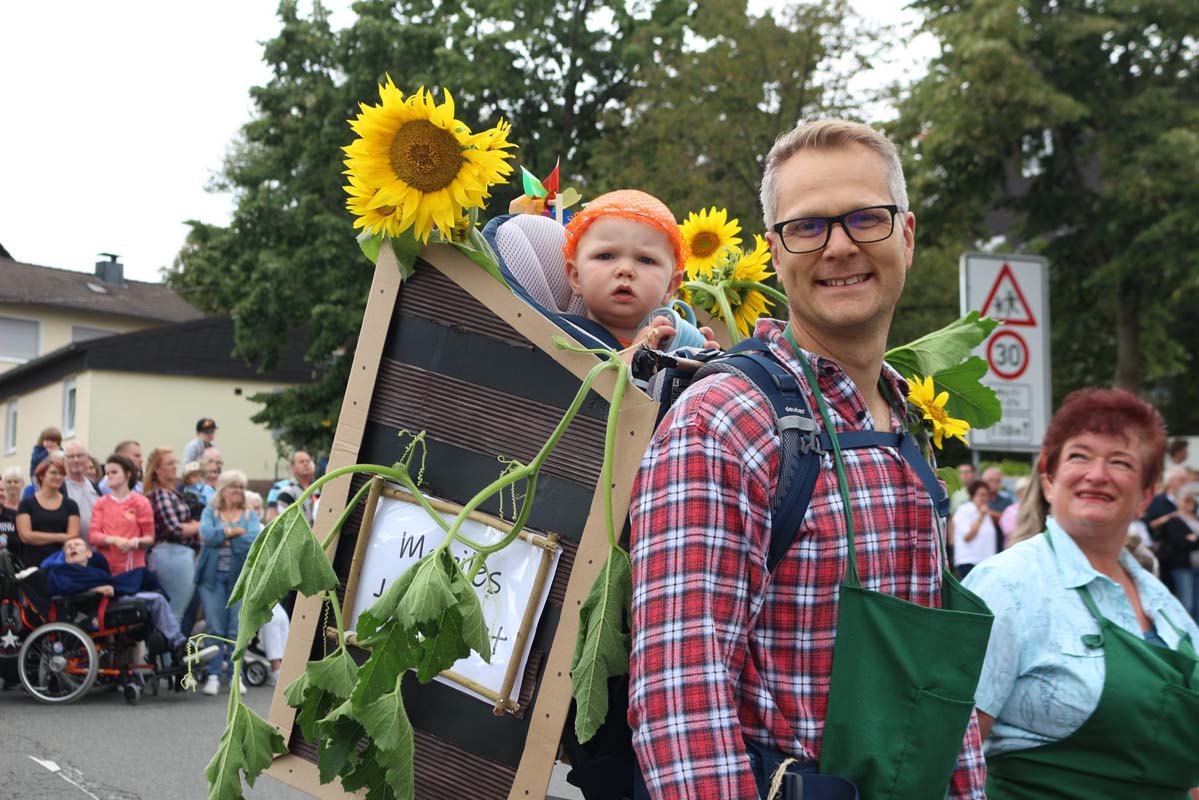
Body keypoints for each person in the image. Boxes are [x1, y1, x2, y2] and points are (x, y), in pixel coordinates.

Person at [629, 120, 988, 800]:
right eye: (808, 227)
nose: (840, 246)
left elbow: (935, 689)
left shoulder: (902, 418)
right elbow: (680, 700)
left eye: (864, 218)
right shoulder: (725, 420)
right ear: (773, 251)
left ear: (905, 235)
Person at [963, 388, 1199, 798]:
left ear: (1145, 495)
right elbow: (949, 754)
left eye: (1120, 462)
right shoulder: (1007, 585)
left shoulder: (1165, 606)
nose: (1097, 473)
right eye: (1079, 456)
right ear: (1049, 478)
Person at [561, 189, 717, 357]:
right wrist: (635, 357)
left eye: (646, 260)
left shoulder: (674, 345)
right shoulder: (563, 338)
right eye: (605, 256)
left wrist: (700, 365)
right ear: (576, 277)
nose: (626, 270)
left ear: (670, 287)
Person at [46, 538, 188, 658]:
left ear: (89, 553)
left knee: (148, 585)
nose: (72, 547)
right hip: (99, 607)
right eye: (68, 547)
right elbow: (64, 589)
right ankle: (179, 645)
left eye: (77, 545)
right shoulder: (61, 571)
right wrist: (96, 589)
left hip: (113, 599)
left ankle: (165, 642)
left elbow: (111, 581)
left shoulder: (95, 571)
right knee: (156, 599)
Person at [197, 470, 260, 695]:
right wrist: (234, 531)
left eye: (241, 487)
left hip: (239, 579)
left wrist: (222, 536)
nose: (239, 491)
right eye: (234, 486)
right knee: (214, 627)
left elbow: (251, 540)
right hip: (211, 579)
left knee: (236, 629)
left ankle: (236, 675)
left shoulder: (249, 514)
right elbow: (205, 534)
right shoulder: (210, 511)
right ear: (222, 490)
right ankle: (213, 675)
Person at [144, 447, 200, 625]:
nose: (175, 467)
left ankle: (169, 651)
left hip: (174, 554)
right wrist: (199, 525)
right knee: (174, 612)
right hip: (171, 554)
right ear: (157, 469)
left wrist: (190, 525)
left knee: (173, 611)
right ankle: (169, 652)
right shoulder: (161, 494)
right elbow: (174, 529)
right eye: (170, 463)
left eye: (175, 462)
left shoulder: (171, 492)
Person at [246, 489, 289, 685]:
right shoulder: (244, 531)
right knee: (271, 619)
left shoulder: (264, 529)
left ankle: (287, 664)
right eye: (252, 508)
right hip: (249, 590)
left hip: (263, 588)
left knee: (282, 618)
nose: (256, 512)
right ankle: (276, 667)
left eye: (258, 508)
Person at [88, 454, 155, 576]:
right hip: (105, 567)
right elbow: (93, 535)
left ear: (128, 474)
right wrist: (114, 540)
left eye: (114, 472)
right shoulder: (101, 503)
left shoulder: (141, 502)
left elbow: (149, 537)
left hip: (132, 567)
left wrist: (135, 542)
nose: (109, 476)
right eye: (107, 473)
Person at [16, 454, 80, 568]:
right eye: (54, 473)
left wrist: (38, 537)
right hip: (33, 564)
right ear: (41, 476)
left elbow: (72, 536)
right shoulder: (26, 503)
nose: (58, 477)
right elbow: (25, 536)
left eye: (61, 474)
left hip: (62, 563)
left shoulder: (71, 505)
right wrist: (59, 537)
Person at [1157, 490, 1199, 620]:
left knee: (1197, 605)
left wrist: (1194, 538)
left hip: (1196, 566)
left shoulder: (1195, 519)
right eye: (1186, 500)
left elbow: (1189, 542)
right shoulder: (1174, 520)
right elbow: (1181, 542)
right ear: (1179, 502)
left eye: (1191, 501)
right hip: (1182, 566)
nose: (1189, 504)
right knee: (1187, 603)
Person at [951, 480, 998, 579]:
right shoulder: (964, 510)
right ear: (973, 495)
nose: (984, 498)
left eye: (986, 495)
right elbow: (968, 536)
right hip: (968, 561)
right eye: (981, 495)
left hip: (986, 561)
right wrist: (980, 517)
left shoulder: (986, 513)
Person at [265, 450, 319, 525]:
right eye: (301, 462)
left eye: (308, 461)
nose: (306, 463)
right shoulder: (284, 490)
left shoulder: (316, 488)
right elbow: (276, 519)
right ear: (293, 468)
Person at [62, 441, 100, 538]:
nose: (76, 460)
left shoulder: (94, 487)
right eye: (71, 456)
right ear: (64, 460)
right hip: (73, 549)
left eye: (80, 456)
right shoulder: (60, 488)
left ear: (87, 458)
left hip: (97, 549)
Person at [1, 466, 24, 559]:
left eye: (16, 481)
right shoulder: (2, 508)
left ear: (22, 483)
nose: (12, 484)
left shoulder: (27, 506)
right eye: (9, 482)